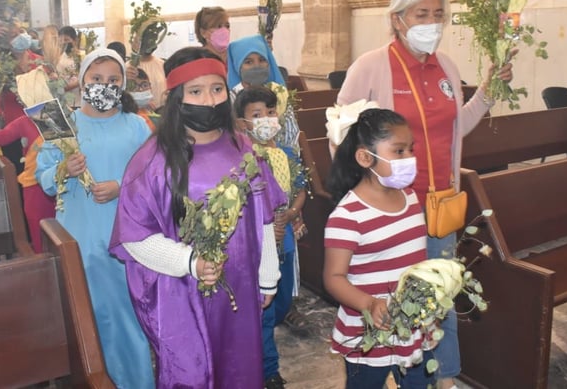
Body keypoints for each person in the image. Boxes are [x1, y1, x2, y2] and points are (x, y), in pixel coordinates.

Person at [335, 0, 515, 389]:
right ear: (398, 19)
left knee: (440, 300)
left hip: (439, 208)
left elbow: (457, 128)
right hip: (392, 212)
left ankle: (442, 379)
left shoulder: (446, 65)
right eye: (422, 15)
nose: (432, 23)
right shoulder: (371, 65)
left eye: (439, 15)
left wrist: (488, 90)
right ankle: (382, 371)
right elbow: (340, 134)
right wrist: (367, 195)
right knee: (390, 297)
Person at [109, 46, 285, 389]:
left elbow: (263, 218)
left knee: (240, 368)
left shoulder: (244, 148)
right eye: (196, 91)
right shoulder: (153, 161)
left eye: (217, 89)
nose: (209, 100)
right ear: (176, 97)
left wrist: (267, 275)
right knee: (191, 373)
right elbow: (134, 236)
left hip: (240, 290)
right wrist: (189, 260)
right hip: (183, 294)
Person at [36, 48, 154, 388]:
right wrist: (63, 168)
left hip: (125, 236)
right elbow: (42, 176)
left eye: (113, 80)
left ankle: (135, 381)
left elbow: (152, 174)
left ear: (124, 83)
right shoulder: (60, 121)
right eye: (97, 79)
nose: (105, 86)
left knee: (126, 317)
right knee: (86, 316)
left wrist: (120, 186)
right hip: (80, 237)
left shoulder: (136, 125)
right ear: (82, 82)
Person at [324, 107, 435, 389]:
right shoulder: (348, 216)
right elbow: (334, 278)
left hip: (412, 324)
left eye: (411, 149)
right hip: (367, 330)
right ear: (364, 157)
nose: (409, 158)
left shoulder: (409, 198)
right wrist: (369, 304)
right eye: (398, 152)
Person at [234, 86, 308, 389]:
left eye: (270, 112)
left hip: (285, 242)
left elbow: (301, 189)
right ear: (242, 123)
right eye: (256, 114)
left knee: (278, 305)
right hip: (258, 245)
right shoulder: (242, 157)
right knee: (262, 311)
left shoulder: (287, 154)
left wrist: (291, 213)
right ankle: (268, 369)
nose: (266, 118)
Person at [0, 111, 56, 253]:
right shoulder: (24, 121)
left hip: (62, 185)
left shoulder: (61, 117)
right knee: (40, 235)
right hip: (34, 186)